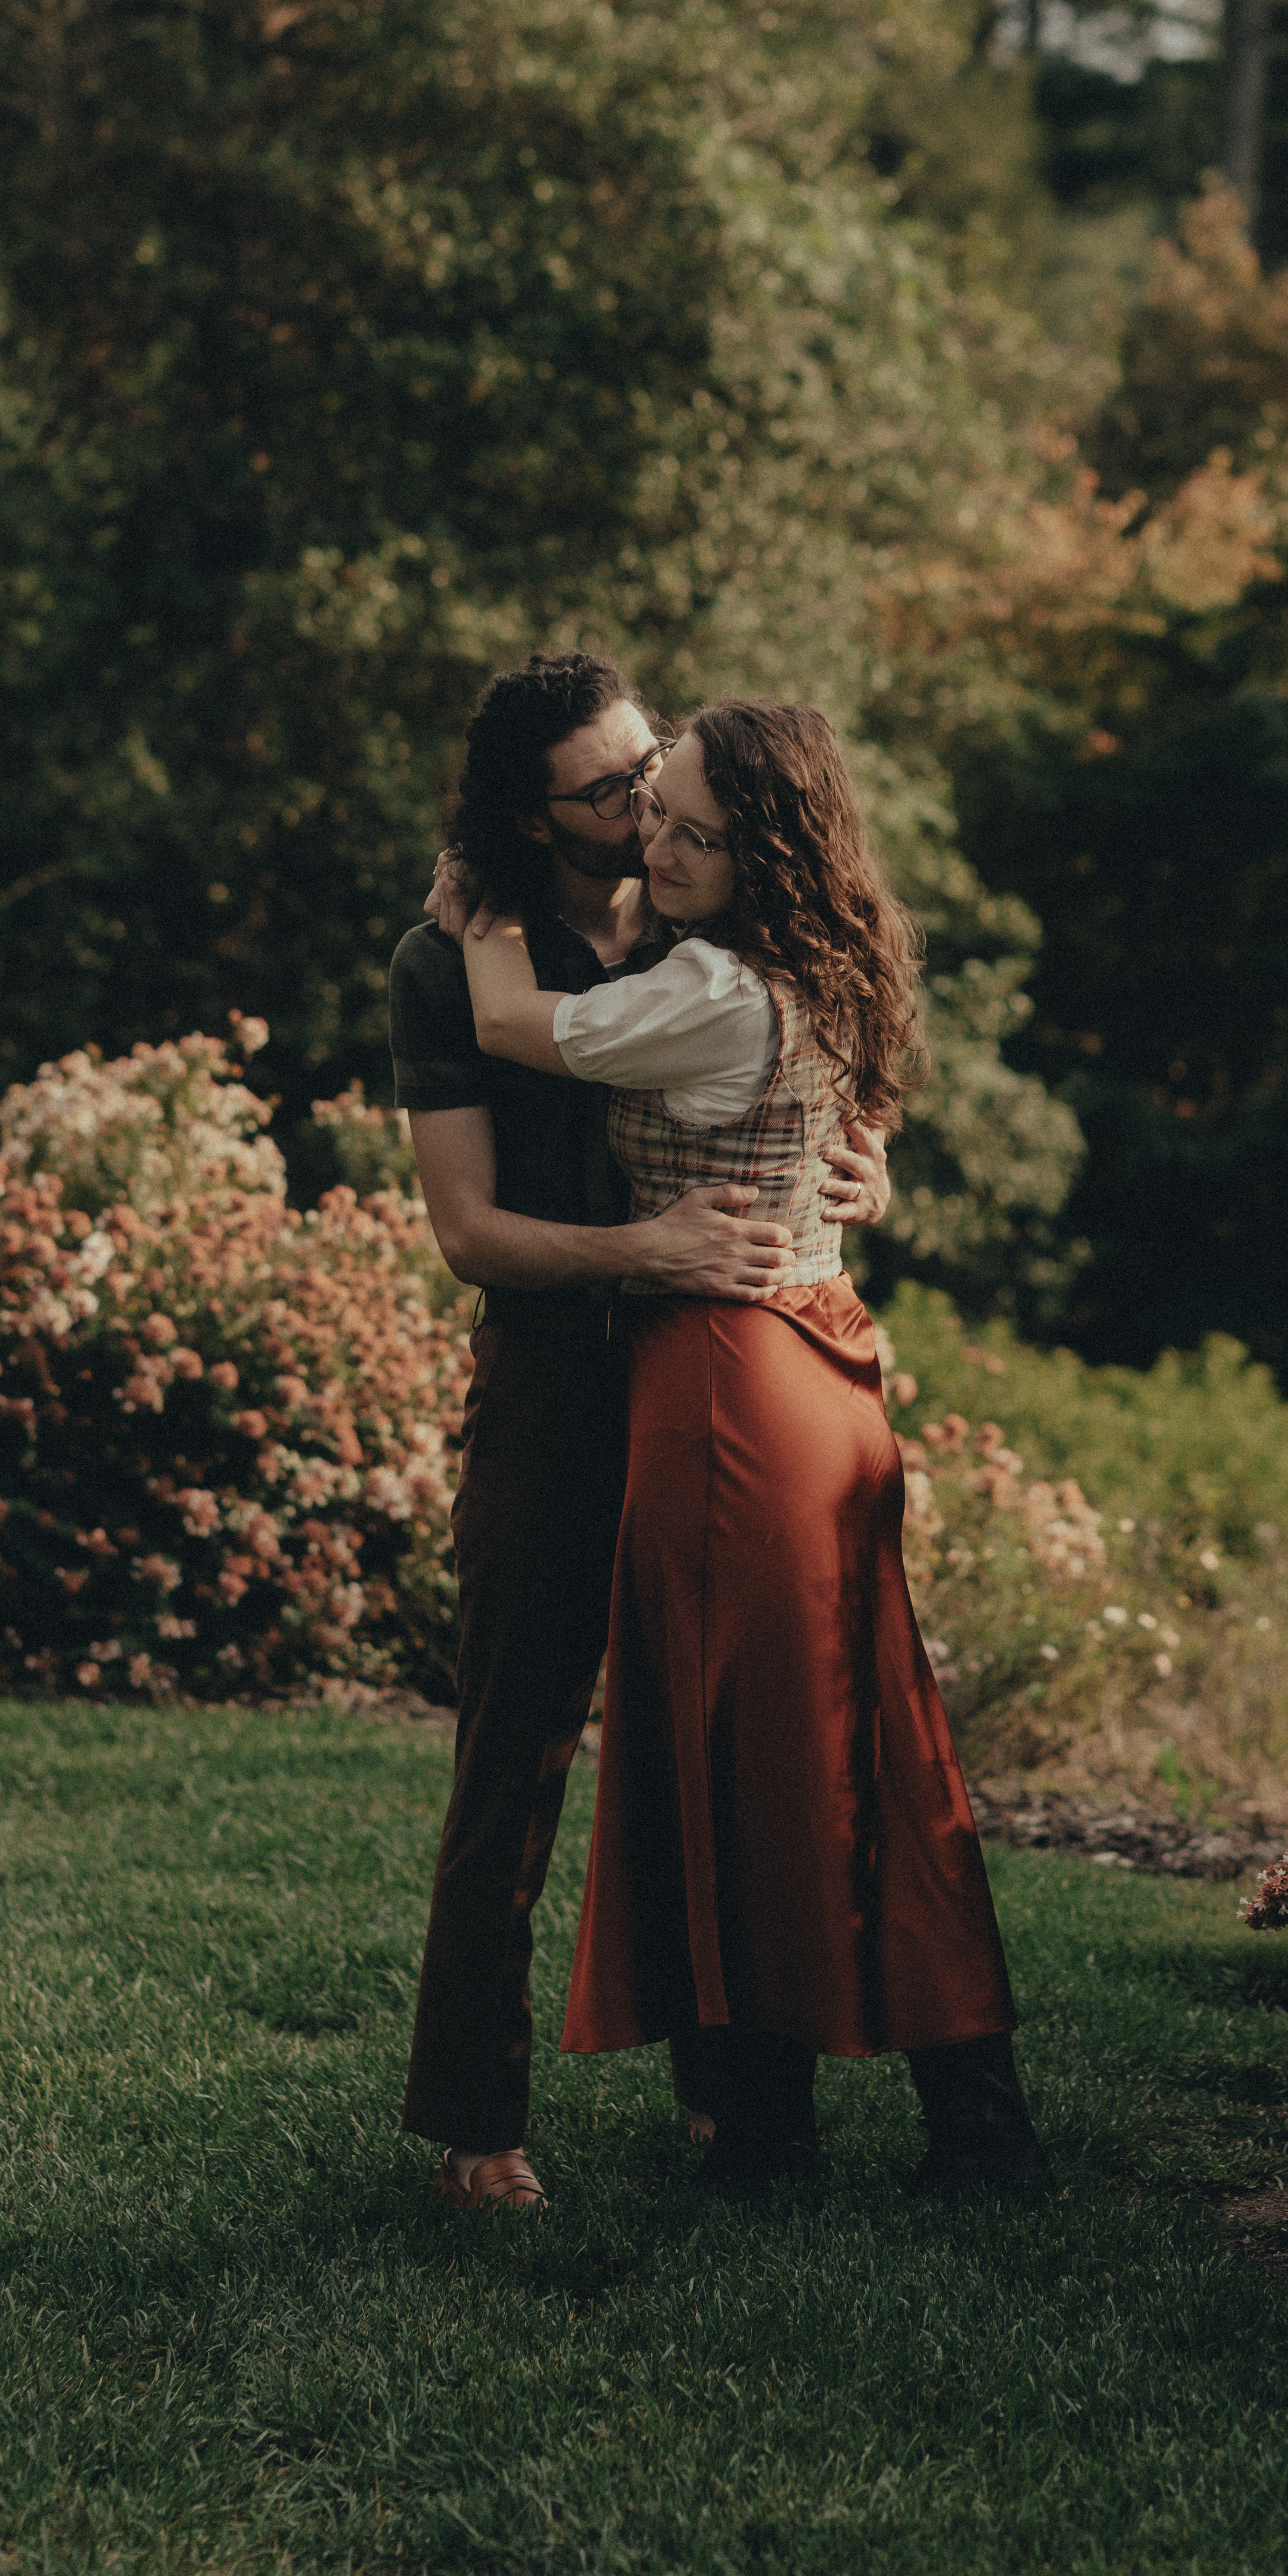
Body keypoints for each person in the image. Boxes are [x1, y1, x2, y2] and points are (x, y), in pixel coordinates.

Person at [448, 697, 1045, 2195]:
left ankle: (766, 2132)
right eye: (654, 804)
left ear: (761, 848)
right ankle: (973, 2124)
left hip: (724, 1382)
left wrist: (474, 909)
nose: (656, 837)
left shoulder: (712, 990)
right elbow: (839, 1130)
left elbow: (518, 1024)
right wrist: (870, 1177)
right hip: (829, 1364)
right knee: (879, 1748)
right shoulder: (833, 964)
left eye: (691, 827)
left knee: (741, 1759)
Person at [389, 651, 889, 2213]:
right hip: (554, 1385)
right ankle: (479, 2123)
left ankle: (743, 2103)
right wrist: (644, 1251)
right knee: (514, 1755)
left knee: (722, 1747)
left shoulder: (715, 919)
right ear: (533, 820)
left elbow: (809, 1074)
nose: (641, 802)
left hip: (716, 1387)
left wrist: (860, 1181)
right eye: (607, 791)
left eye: (647, 766)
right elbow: (470, 1232)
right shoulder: (451, 961)